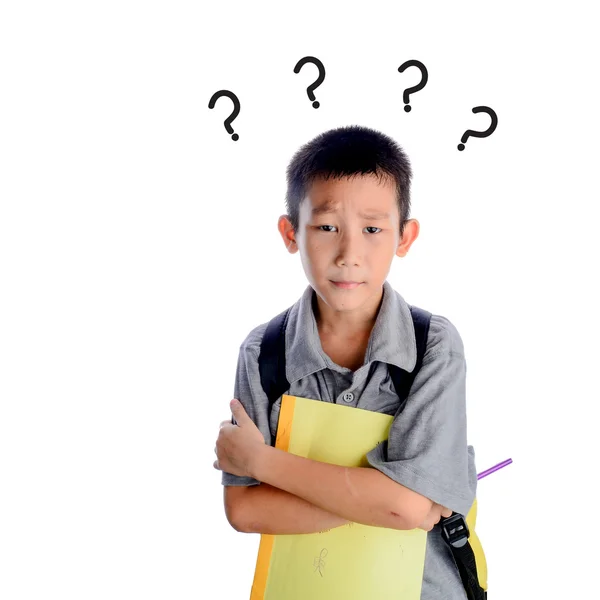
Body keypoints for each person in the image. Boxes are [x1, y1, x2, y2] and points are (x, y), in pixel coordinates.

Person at [213, 124, 478, 599]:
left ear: (405, 236)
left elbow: (405, 507)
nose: (349, 254)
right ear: (291, 232)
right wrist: (390, 501)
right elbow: (244, 509)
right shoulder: (263, 351)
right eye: (327, 227)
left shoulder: (433, 345)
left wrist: (262, 461)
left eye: (373, 229)